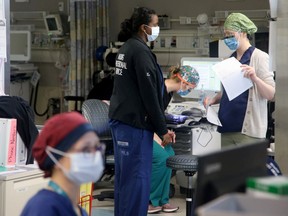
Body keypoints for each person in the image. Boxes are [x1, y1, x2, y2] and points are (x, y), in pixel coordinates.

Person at [108, 7, 175, 216]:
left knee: (125, 181)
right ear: (143, 27)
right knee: (136, 182)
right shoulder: (139, 52)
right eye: (154, 25)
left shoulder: (127, 48)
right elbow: (149, 96)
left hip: (124, 123)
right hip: (133, 127)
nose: (157, 29)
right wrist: (162, 130)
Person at [204, 13, 275, 147]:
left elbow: (272, 94)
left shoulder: (260, 57)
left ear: (242, 32)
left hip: (248, 133)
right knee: (227, 168)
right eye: (225, 35)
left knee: (247, 168)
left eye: (230, 34)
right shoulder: (229, 59)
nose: (227, 39)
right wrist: (213, 100)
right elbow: (229, 91)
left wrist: (255, 78)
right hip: (226, 128)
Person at [21, 112, 104, 216]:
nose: (95, 155)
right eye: (86, 149)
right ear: (57, 157)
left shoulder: (77, 209)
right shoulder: (43, 207)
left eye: (97, 148)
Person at [148, 65, 199, 214]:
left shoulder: (168, 93)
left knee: (170, 154)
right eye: (190, 87)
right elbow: (146, 117)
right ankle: (150, 200)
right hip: (140, 131)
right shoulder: (157, 89)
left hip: (152, 131)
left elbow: (158, 118)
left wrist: (166, 132)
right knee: (162, 157)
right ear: (183, 82)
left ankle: (163, 200)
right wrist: (157, 136)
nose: (189, 90)